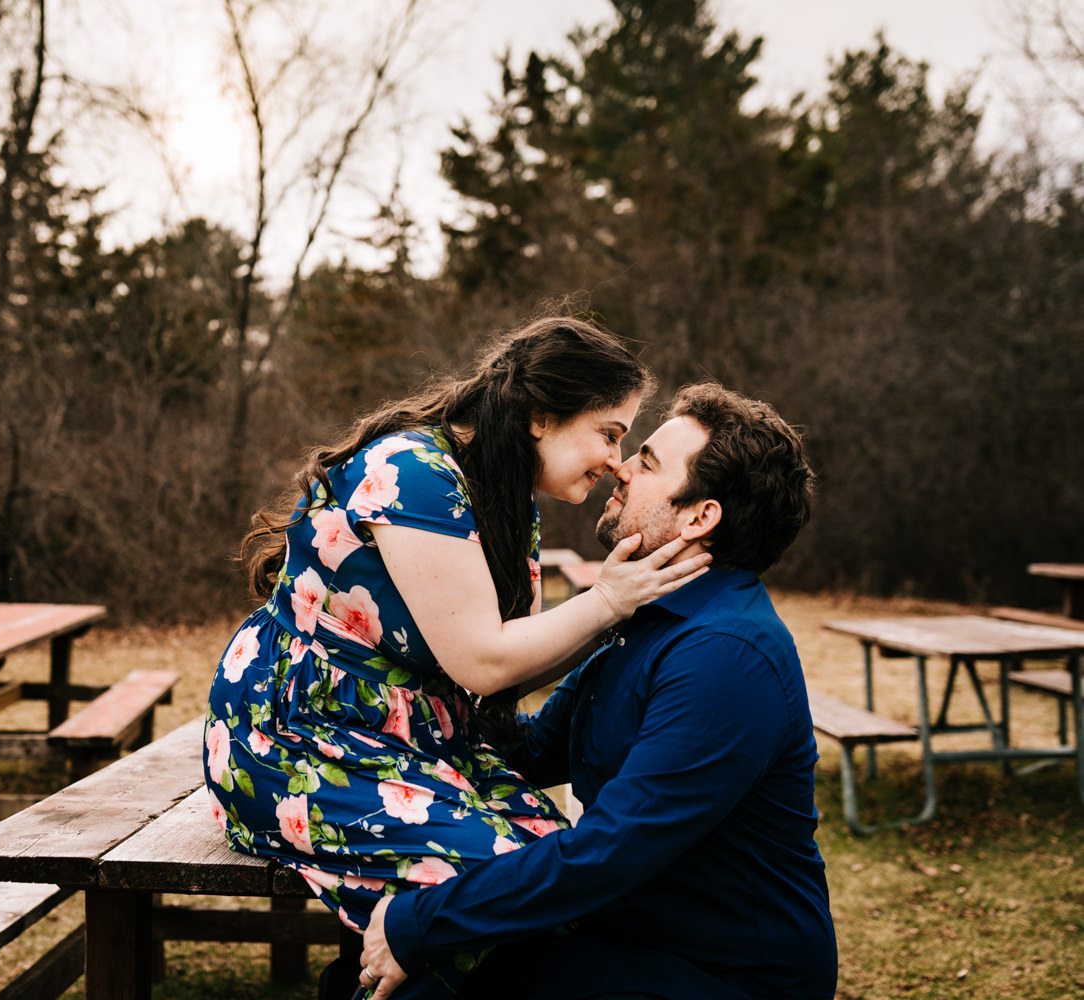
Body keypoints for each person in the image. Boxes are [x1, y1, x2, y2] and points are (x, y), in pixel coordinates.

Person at [201, 317, 712, 998]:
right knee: (488, 884)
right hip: (297, 740)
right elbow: (483, 663)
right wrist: (608, 601)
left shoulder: (504, 498)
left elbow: (516, 659)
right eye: (610, 433)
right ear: (540, 415)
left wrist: (625, 615)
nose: (617, 462)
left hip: (412, 739)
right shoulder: (414, 470)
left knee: (546, 872)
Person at [358, 381, 836, 1000]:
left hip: (719, 972)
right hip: (625, 937)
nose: (621, 465)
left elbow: (613, 848)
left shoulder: (727, 655)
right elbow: (533, 750)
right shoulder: (649, 619)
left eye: (648, 461)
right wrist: (393, 706)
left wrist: (421, 923)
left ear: (700, 516)